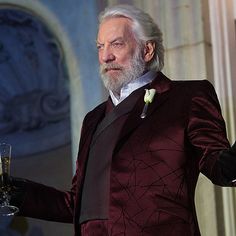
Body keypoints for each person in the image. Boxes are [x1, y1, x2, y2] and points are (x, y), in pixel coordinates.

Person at [4, 4, 236, 236]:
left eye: (117, 44)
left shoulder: (186, 98)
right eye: (100, 47)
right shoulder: (93, 119)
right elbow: (77, 205)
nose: (106, 56)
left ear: (147, 50)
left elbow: (220, 167)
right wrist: (10, 189)